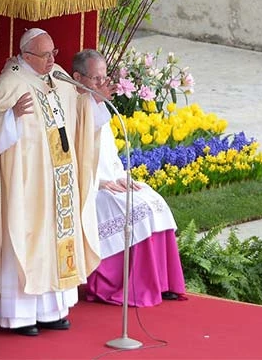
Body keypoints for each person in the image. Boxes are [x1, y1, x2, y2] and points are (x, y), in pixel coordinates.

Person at [0, 29, 103, 336]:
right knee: (28, 240)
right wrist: (10, 117)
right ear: (26, 56)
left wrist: (94, 99)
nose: (52, 59)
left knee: (56, 240)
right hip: (27, 184)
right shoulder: (11, 83)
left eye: (53, 53)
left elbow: (78, 108)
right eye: (45, 55)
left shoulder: (57, 75)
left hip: (59, 179)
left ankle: (52, 311)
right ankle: (20, 317)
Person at [71, 49, 187, 307]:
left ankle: (163, 282)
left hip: (111, 179)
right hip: (88, 187)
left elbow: (109, 154)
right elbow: (74, 158)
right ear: (78, 77)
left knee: (152, 201)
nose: (103, 85)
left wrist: (122, 176)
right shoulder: (71, 108)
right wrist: (100, 182)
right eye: (96, 79)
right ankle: (129, 285)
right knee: (132, 209)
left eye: (104, 77)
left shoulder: (98, 105)